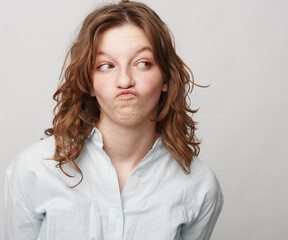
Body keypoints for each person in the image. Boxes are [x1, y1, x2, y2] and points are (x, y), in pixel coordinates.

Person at [4, 1, 224, 239]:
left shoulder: (200, 187)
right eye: (106, 66)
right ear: (88, 82)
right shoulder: (34, 170)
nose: (124, 80)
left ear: (166, 79)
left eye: (143, 63)